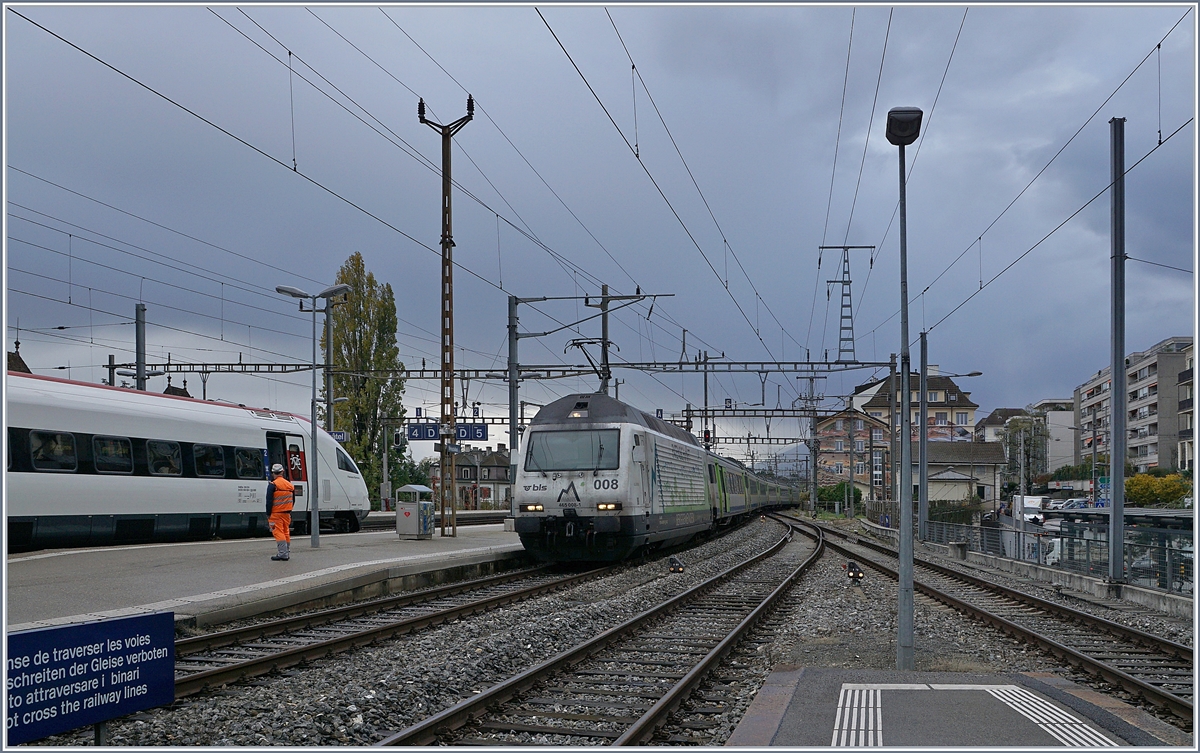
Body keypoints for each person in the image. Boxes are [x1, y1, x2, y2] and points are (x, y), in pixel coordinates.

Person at [266, 463, 295, 561]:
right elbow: (293, 500)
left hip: (275, 513)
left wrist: (268, 514)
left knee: (278, 532)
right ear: (282, 472)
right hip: (286, 513)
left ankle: (282, 554)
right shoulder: (289, 485)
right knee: (286, 531)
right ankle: (286, 551)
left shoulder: (273, 485)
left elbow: (269, 501)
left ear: (273, 473)